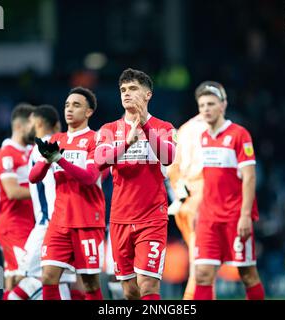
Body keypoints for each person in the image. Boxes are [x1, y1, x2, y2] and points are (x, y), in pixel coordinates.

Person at [94, 68, 176, 300]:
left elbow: (169, 156)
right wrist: (126, 144)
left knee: (148, 285)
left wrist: (144, 126)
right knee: (130, 291)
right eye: (123, 90)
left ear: (148, 94)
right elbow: (100, 160)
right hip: (119, 218)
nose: (126, 94)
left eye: (133, 89)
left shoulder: (164, 127)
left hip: (152, 218)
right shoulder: (109, 130)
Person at [29, 87, 106, 300]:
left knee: (90, 283)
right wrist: (46, 160)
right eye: (67, 105)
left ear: (89, 112)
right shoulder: (57, 139)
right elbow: (33, 177)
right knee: (48, 277)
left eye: (76, 105)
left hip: (87, 221)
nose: (69, 109)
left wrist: (59, 160)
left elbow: (90, 178)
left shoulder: (96, 139)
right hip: (59, 221)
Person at [192, 81, 265, 300]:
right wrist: (198, 210)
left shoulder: (239, 134)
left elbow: (250, 177)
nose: (206, 109)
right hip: (208, 217)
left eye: (211, 104)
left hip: (235, 216)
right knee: (202, 274)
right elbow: (209, 179)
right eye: (202, 104)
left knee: (247, 273)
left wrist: (245, 215)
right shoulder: (203, 137)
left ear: (223, 105)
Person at [6, 105, 79, 300]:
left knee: (19, 280)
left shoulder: (46, 146)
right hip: (55, 223)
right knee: (59, 281)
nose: (26, 126)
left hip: (48, 226)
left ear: (37, 122)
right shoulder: (47, 146)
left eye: (29, 122)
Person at [0, 103, 36, 299]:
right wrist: (42, 190)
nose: (36, 128)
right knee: (26, 275)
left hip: (29, 223)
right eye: (32, 124)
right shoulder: (7, 154)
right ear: (20, 126)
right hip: (13, 225)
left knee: (12, 278)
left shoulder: (30, 150)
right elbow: (11, 191)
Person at [166, 113, 208, 300]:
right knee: (202, 265)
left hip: (183, 205)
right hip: (197, 204)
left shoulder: (182, 132)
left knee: (201, 264)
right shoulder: (207, 130)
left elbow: (171, 172)